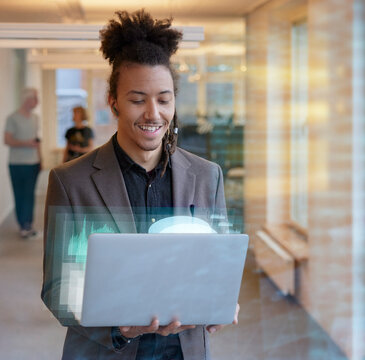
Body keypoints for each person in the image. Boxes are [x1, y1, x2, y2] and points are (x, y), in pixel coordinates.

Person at [41, 9, 239, 360]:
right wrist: (118, 328)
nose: (153, 114)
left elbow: (217, 262)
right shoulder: (71, 181)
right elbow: (58, 288)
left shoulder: (208, 176)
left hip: (184, 350)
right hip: (108, 351)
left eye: (164, 99)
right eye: (137, 100)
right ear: (113, 101)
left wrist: (220, 301)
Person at [4, 87, 41, 239]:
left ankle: (28, 225)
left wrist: (40, 159)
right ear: (27, 100)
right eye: (35, 98)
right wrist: (27, 143)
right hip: (16, 163)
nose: (37, 102)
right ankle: (22, 225)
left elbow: (37, 141)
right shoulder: (12, 118)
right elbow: (7, 140)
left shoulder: (35, 118)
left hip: (33, 163)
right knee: (19, 194)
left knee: (30, 195)